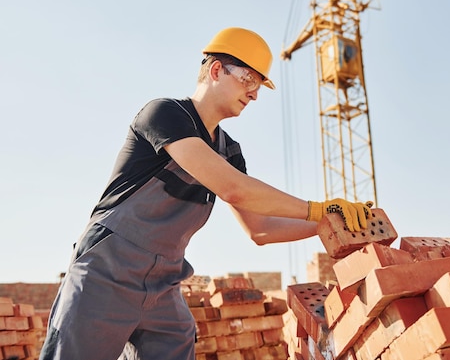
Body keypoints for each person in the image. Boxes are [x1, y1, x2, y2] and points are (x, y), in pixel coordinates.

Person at [39, 27, 373, 360]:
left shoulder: (229, 151)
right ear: (216, 70)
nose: (255, 94)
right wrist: (315, 208)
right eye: (249, 81)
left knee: (178, 342)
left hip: (164, 284)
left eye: (259, 86)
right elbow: (233, 189)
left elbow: (261, 229)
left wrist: (328, 223)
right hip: (107, 271)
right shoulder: (166, 114)